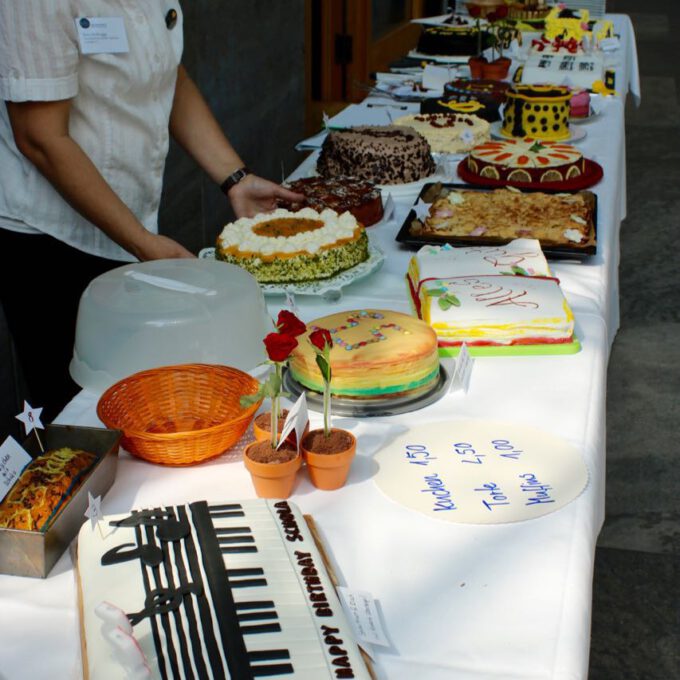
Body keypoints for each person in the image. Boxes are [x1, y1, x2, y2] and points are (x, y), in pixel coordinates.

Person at [0, 2, 301, 421]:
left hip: (132, 229)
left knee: (153, 410)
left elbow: (164, 72)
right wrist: (142, 242)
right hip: (53, 243)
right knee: (89, 422)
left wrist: (235, 179)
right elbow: (40, 137)